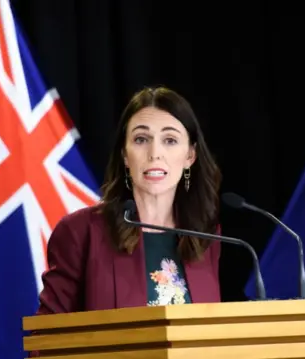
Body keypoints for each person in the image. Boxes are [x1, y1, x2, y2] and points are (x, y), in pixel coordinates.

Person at [35, 86, 223, 317]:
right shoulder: (81, 233)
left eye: (170, 140)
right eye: (141, 139)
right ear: (125, 154)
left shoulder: (207, 237)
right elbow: (46, 340)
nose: (155, 153)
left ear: (190, 156)